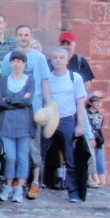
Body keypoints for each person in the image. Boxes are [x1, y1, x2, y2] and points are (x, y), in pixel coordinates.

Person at [0, 24, 50, 199]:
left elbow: (44, 82)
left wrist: (48, 106)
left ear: (31, 36)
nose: (23, 37)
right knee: (13, 154)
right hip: (12, 115)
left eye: (26, 34)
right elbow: (4, 85)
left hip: (35, 110)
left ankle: (35, 182)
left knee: (33, 150)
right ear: (16, 36)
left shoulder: (39, 58)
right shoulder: (8, 58)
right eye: (20, 34)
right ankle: (13, 184)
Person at [41, 47, 87, 202]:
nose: (58, 60)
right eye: (55, 57)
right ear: (51, 60)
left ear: (67, 60)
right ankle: (36, 185)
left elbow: (80, 103)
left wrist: (80, 125)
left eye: (61, 57)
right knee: (40, 154)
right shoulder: (47, 79)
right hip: (49, 120)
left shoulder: (75, 78)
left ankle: (73, 192)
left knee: (70, 157)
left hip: (67, 120)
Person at [0, 50, 34, 203]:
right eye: (14, 61)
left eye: (19, 61)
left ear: (24, 64)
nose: (16, 64)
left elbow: (28, 102)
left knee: (22, 157)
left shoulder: (29, 81)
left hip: (24, 125)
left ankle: (20, 187)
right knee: (10, 157)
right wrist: (18, 100)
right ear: (10, 63)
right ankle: (8, 185)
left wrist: (9, 99)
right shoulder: (4, 81)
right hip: (7, 125)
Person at [86, 96, 106, 187]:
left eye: (100, 102)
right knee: (91, 160)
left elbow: (99, 127)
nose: (98, 104)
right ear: (90, 103)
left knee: (100, 162)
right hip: (90, 139)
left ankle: (103, 182)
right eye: (96, 101)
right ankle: (91, 179)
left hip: (99, 141)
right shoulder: (86, 114)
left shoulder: (100, 115)